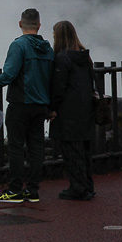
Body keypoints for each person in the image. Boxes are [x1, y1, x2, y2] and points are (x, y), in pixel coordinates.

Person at [0, 8, 55, 203]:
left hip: (21, 103)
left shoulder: (19, 45)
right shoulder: (48, 48)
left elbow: (10, 73)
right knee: (36, 147)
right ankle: (32, 190)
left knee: (15, 147)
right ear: (39, 26)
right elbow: (52, 78)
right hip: (41, 105)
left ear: (20, 24)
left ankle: (14, 190)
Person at [48, 20, 96, 201]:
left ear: (59, 35)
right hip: (85, 108)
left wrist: (52, 108)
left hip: (68, 111)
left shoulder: (62, 58)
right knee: (84, 151)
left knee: (70, 150)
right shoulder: (84, 57)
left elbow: (58, 88)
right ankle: (87, 186)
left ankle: (78, 188)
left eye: (54, 33)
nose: (52, 36)